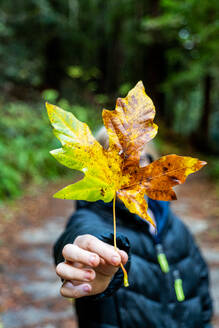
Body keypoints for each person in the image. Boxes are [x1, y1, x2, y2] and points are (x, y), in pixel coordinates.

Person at [53, 128, 213, 328]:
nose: (130, 168)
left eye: (141, 159)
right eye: (118, 160)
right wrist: (89, 258)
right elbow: (81, 232)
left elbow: (202, 294)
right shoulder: (92, 217)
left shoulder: (177, 228)